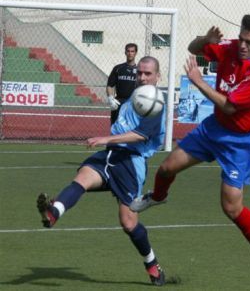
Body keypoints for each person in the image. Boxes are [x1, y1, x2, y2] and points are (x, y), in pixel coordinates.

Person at [130, 15, 250, 286]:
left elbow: (230, 106)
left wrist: (198, 81)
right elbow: (193, 48)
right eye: (242, 39)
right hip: (212, 130)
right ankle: (158, 196)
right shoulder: (232, 47)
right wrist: (205, 40)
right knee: (166, 167)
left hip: (239, 142)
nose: (243, 46)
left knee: (231, 207)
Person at [37, 56, 166, 286]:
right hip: (110, 155)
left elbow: (141, 136)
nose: (142, 77)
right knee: (82, 179)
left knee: (128, 223)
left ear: (158, 76)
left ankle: (152, 263)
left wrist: (105, 138)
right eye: (140, 73)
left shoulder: (155, 103)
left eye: (148, 74)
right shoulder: (134, 99)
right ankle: (53, 212)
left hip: (130, 163)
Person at [106, 43, 138, 125]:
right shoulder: (118, 68)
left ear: (135, 53)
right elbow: (110, 85)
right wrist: (110, 99)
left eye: (132, 51)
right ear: (125, 52)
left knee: (132, 129)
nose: (130, 53)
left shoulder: (140, 71)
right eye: (128, 51)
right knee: (115, 127)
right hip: (119, 102)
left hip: (133, 103)